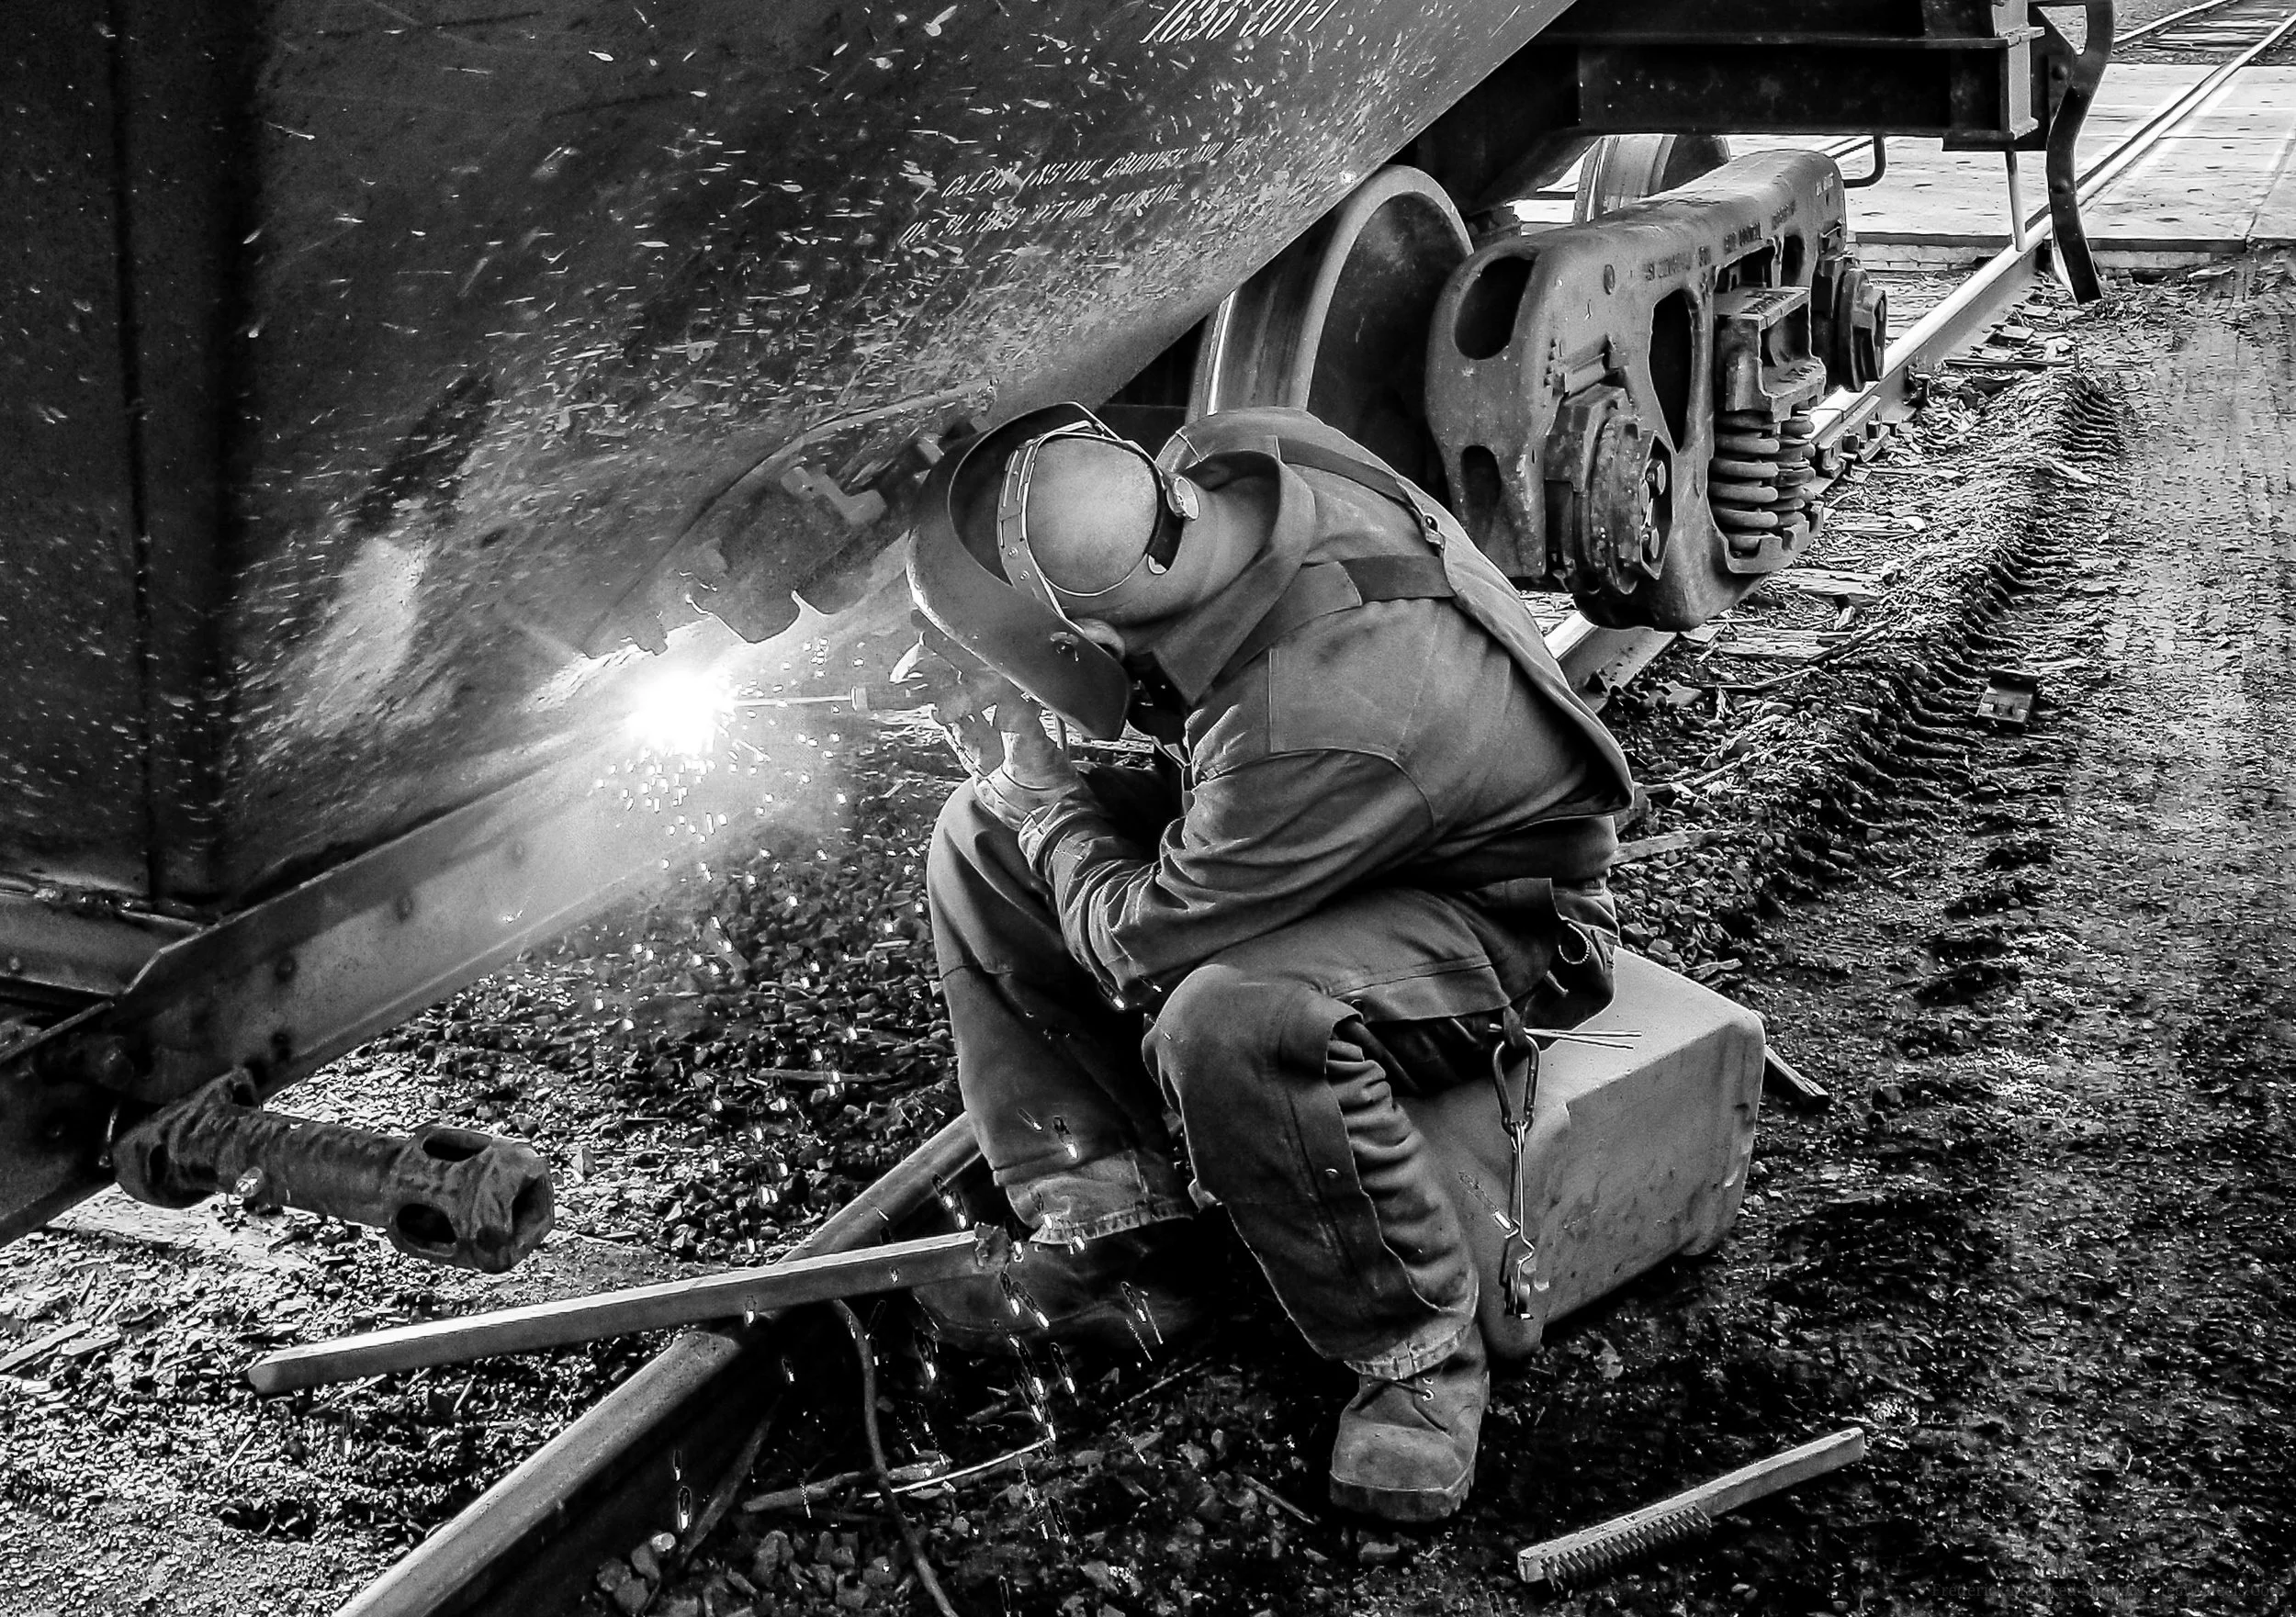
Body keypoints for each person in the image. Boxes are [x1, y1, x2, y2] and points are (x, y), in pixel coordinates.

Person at [905, 402, 1636, 1523]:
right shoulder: (1244, 444)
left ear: (1091, 645)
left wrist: (1053, 800)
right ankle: (1116, 1233)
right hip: (1357, 819)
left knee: (1228, 1022)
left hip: (1492, 917)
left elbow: (1134, 951)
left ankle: (1421, 1362)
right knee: (978, 830)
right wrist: (1030, 804)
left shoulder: (1311, 718)